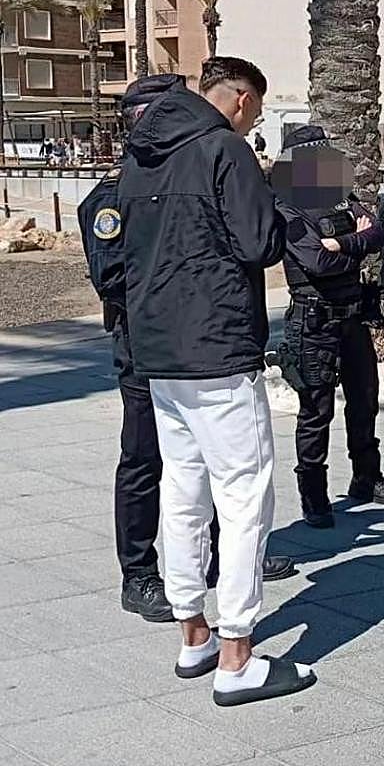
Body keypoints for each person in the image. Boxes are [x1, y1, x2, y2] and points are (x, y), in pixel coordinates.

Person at [120, 56, 316, 705]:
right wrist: (272, 194)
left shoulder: (140, 155)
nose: (253, 123)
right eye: (254, 112)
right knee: (242, 496)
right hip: (218, 347)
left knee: (183, 490)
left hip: (158, 351)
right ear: (237, 101)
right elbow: (259, 244)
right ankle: (237, 655)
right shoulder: (224, 150)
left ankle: (193, 635)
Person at [78, 75, 294, 624]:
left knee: (191, 478)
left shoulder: (170, 163)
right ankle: (149, 580)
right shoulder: (141, 178)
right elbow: (115, 274)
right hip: (162, 345)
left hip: (168, 341)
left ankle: (200, 601)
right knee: (159, 466)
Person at [271, 125, 384, 529]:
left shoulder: (342, 198)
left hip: (352, 317)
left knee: (365, 401)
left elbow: (379, 232)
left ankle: (367, 477)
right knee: (316, 411)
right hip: (313, 323)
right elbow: (316, 264)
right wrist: (354, 246)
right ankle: (314, 498)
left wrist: (343, 245)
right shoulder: (287, 207)